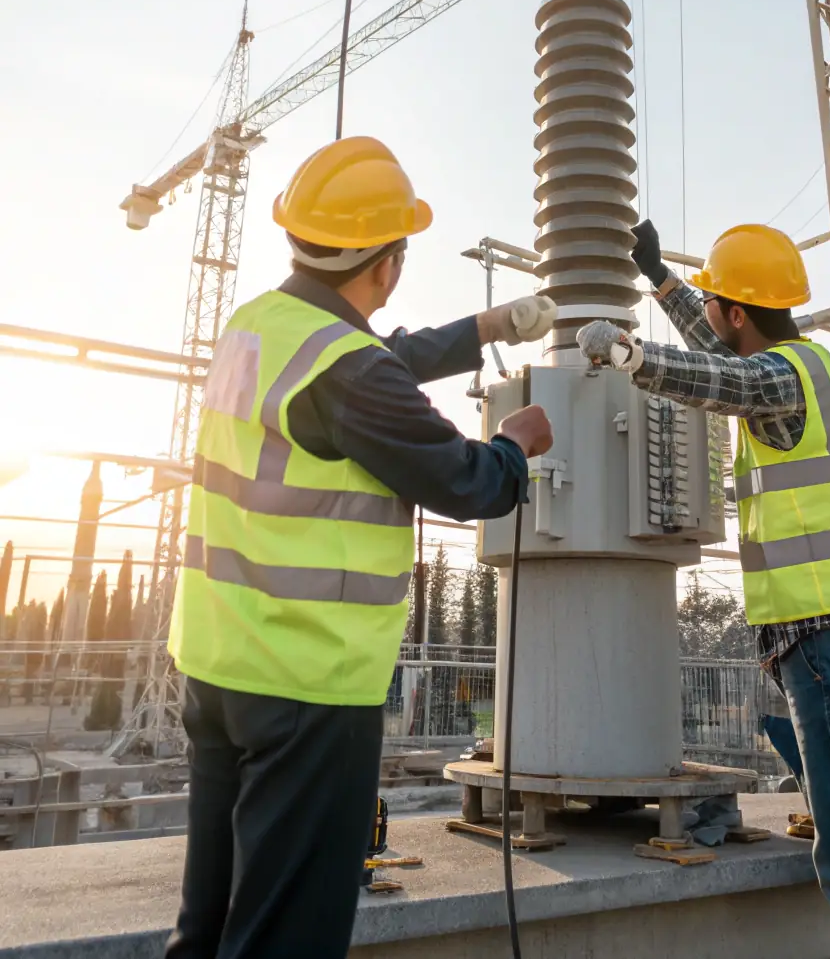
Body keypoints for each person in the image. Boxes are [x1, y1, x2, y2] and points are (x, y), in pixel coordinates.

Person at [165, 136, 554, 959]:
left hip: (218, 667)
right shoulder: (349, 372)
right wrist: (516, 446)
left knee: (208, 926)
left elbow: (378, 361)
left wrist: (484, 328)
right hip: (308, 686)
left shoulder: (256, 328)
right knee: (286, 938)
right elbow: (464, 479)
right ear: (389, 264)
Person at [577, 220, 830, 959]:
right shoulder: (800, 367)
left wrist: (627, 351)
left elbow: (722, 378)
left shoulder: (782, 378)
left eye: (719, 304)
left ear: (739, 312)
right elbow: (720, 352)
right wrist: (662, 279)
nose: (717, 318)